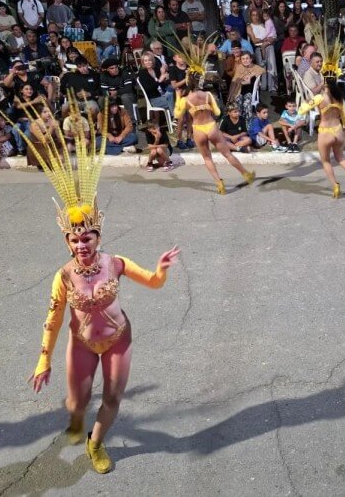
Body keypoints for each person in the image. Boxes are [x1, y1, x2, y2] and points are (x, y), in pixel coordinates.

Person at [24, 109, 180, 473]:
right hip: (80, 343)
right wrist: (43, 359)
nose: (82, 244)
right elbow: (53, 318)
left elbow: (154, 283)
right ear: (68, 241)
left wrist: (160, 270)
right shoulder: (63, 276)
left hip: (118, 340)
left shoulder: (117, 263)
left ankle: (96, 444)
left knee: (112, 397)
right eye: (75, 239)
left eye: (88, 237)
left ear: (98, 235)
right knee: (76, 404)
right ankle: (77, 420)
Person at [171, 39, 256, 195]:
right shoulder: (207, 95)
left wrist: (178, 97)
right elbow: (217, 113)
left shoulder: (185, 99)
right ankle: (246, 174)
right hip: (210, 126)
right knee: (227, 154)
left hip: (198, 130)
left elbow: (177, 114)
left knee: (207, 158)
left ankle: (219, 183)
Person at [298, 29, 345, 198]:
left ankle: (335, 186)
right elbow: (344, 115)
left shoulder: (320, 97)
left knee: (326, 161)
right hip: (338, 131)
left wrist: (305, 105)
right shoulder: (339, 97)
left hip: (325, 132)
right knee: (341, 158)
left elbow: (302, 109)